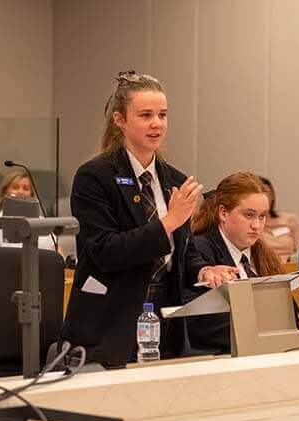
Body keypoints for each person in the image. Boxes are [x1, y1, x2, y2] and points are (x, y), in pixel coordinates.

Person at [59, 70, 238, 368]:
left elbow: (184, 252)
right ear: (120, 120)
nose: (156, 124)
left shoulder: (175, 180)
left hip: (166, 318)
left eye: (162, 115)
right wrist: (169, 221)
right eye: (145, 115)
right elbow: (106, 250)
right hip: (112, 322)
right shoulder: (95, 176)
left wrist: (204, 270)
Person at [184, 172, 286, 354]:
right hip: (218, 358)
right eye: (249, 215)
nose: (257, 226)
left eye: (262, 217)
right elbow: (199, 323)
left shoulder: (265, 255)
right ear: (223, 213)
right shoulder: (198, 252)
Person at [0, 169, 56, 251]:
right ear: (5, 192)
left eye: (25, 189)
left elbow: (56, 252)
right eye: (15, 187)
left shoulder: (42, 223)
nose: (20, 192)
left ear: (31, 195)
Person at [258, 176, 299, 262]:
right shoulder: (254, 224)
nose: (266, 197)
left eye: (268, 193)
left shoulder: (290, 219)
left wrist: (290, 260)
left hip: (292, 265)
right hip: (266, 266)